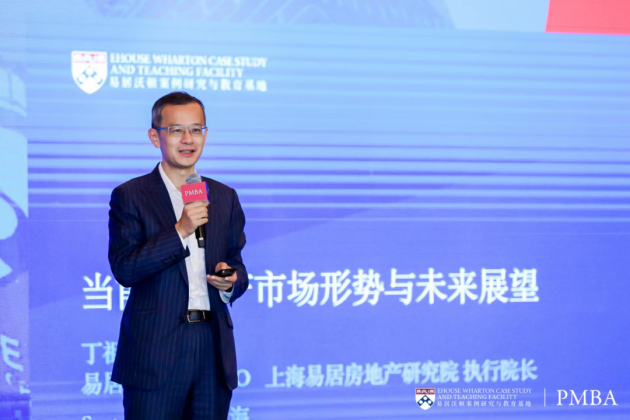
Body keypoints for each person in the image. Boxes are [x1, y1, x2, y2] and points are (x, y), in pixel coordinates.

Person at [107, 91, 248, 419]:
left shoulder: (224, 196)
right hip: (155, 352)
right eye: (176, 130)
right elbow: (125, 268)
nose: (188, 139)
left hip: (212, 348)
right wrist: (181, 229)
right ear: (154, 136)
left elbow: (237, 264)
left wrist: (230, 281)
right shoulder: (131, 195)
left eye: (196, 129)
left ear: (205, 135)